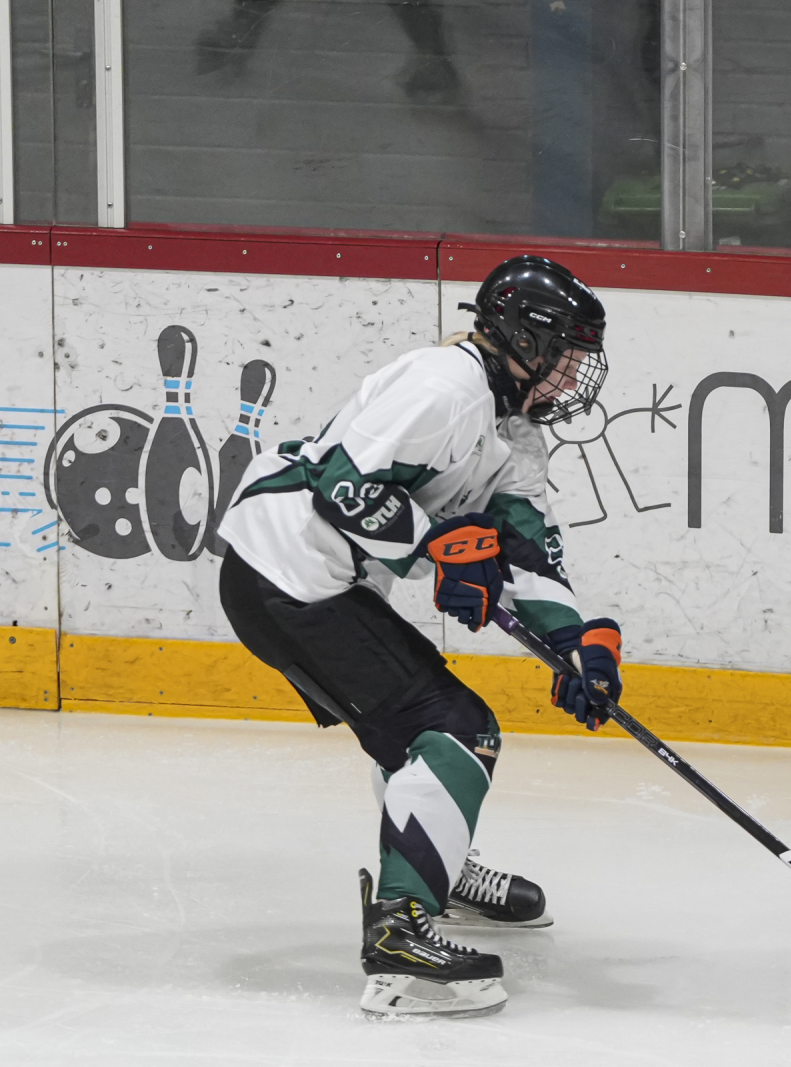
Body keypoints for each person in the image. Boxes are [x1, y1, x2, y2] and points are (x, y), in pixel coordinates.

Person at [215, 255, 625, 1016]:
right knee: (455, 729)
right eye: (567, 355)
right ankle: (399, 935)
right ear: (525, 339)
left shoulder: (516, 433)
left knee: (416, 733)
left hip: (318, 583)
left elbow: (526, 551)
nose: (575, 375)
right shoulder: (445, 386)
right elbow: (342, 484)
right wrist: (436, 544)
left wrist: (576, 643)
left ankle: (437, 866)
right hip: (284, 576)